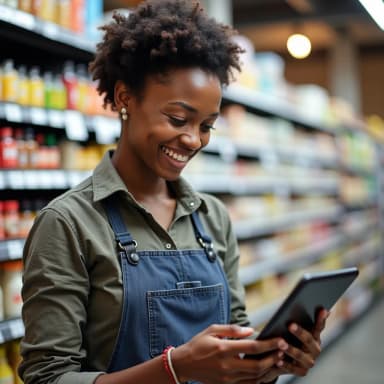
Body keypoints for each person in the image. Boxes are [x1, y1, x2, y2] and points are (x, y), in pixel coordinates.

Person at [19, 1, 329, 383]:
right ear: (124, 98)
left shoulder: (212, 216)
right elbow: (47, 377)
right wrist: (174, 368)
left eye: (207, 126)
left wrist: (271, 362)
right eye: (178, 119)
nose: (192, 139)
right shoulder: (68, 223)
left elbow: (236, 347)